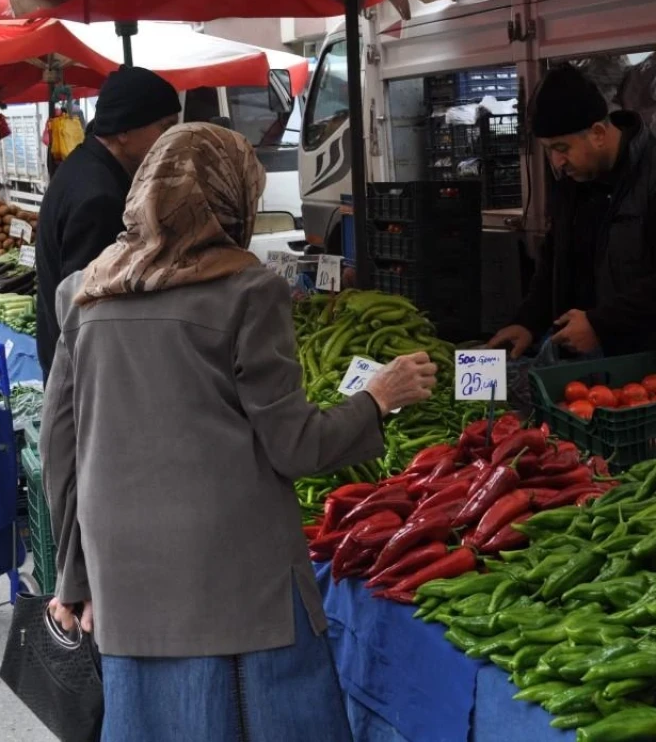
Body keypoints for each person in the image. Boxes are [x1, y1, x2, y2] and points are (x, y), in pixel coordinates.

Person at [41, 123, 438, 741]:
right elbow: (295, 444)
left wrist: (73, 578)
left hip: (125, 575)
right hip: (240, 583)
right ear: (232, 198)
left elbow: (59, 446)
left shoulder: (83, 294)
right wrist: (377, 400)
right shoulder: (248, 291)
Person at [489, 63, 656, 360]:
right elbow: (556, 258)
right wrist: (528, 321)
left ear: (599, 133)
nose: (557, 161)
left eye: (562, 148)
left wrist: (600, 324)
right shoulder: (575, 180)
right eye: (549, 150)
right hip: (603, 362)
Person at [35, 66, 181, 381]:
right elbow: (93, 312)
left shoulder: (85, 167)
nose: (172, 139)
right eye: (166, 127)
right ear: (124, 131)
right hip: (86, 377)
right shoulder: (99, 197)